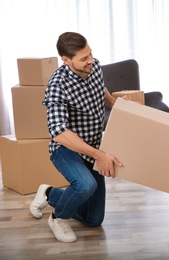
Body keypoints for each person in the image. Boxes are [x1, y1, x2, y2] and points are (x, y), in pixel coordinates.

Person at [29, 32, 124, 242]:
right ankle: (58, 217)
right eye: (83, 58)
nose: (90, 60)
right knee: (85, 185)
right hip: (67, 149)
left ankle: (49, 194)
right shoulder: (57, 86)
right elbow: (59, 132)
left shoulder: (94, 66)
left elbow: (102, 90)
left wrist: (117, 104)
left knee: (94, 219)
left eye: (90, 54)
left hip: (93, 145)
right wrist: (98, 155)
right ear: (66, 60)